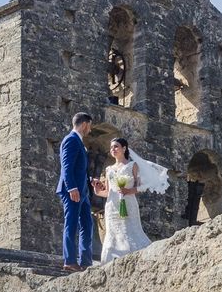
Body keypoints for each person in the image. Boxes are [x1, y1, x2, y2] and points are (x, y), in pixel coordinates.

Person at [93, 138, 152, 263]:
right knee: (112, 233)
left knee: (129, 230)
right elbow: (109, 192)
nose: (113, 149)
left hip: (128, 203)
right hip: (112, 206)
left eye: (116, 146)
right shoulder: (109, 169)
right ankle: (109, 260)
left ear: (124, 148)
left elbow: (140, 187)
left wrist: (128, 191)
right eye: (111, 147)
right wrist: (97, 192)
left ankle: (136, 259)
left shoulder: (132, 165)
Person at [56, 112, 94, 272]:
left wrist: (89, 181)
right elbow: (66, 166)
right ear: (85, 124)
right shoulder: (71, 140)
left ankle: (85, 262)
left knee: (87, 224)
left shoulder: (79, 142)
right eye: (90, 126)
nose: (90, 130)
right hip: (73, 191)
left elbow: (79, 168)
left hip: (82, 191)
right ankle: (70, 261)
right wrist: (72, 188)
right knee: (71, 224)